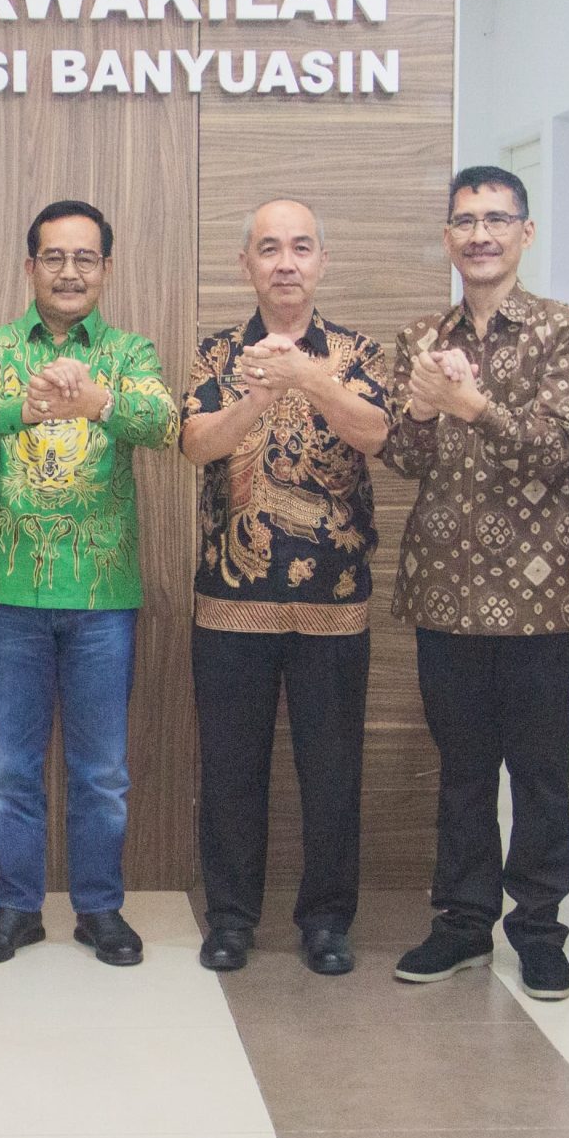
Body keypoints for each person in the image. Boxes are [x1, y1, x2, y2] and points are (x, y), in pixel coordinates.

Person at [384, 168, 569, 1002]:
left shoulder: (566, 330)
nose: (480, 235)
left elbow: (557, 445)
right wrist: (425, 410)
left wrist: (471, 405)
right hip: (446, 589)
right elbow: (403, 457)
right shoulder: (420, 337)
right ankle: (463, 924)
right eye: (466, 221)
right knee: (462, 771)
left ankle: (540, 932)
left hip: (544, 597)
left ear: (525, 233)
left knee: (540, 772)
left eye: (497, 219)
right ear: (447, 237)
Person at [0, 199, 180, 968]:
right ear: (31, 267)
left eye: (85, 258)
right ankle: (16, 909)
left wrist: (98, 401)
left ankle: (99, 909)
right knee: (9, 770)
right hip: (8, 590)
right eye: (54, 257)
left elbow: (161, 421)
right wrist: (29, 401)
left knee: (102, 772)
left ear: (106, 269)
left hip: (101, 594)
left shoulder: (130, 351)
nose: (70, 272)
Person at [179, 198, 389, 975]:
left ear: (322, 261)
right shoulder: (215, 354)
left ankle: (327, 920)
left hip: (334, 602)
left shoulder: (358, 352)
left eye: (301, 247)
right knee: (231, 771)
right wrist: (259, 396)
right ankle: (232, 918)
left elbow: (377, 434)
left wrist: (310, 378)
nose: (286, 263)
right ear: (247, 265)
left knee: (332, 773)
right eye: (269, 249)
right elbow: (196, 444)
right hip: (231, 599)